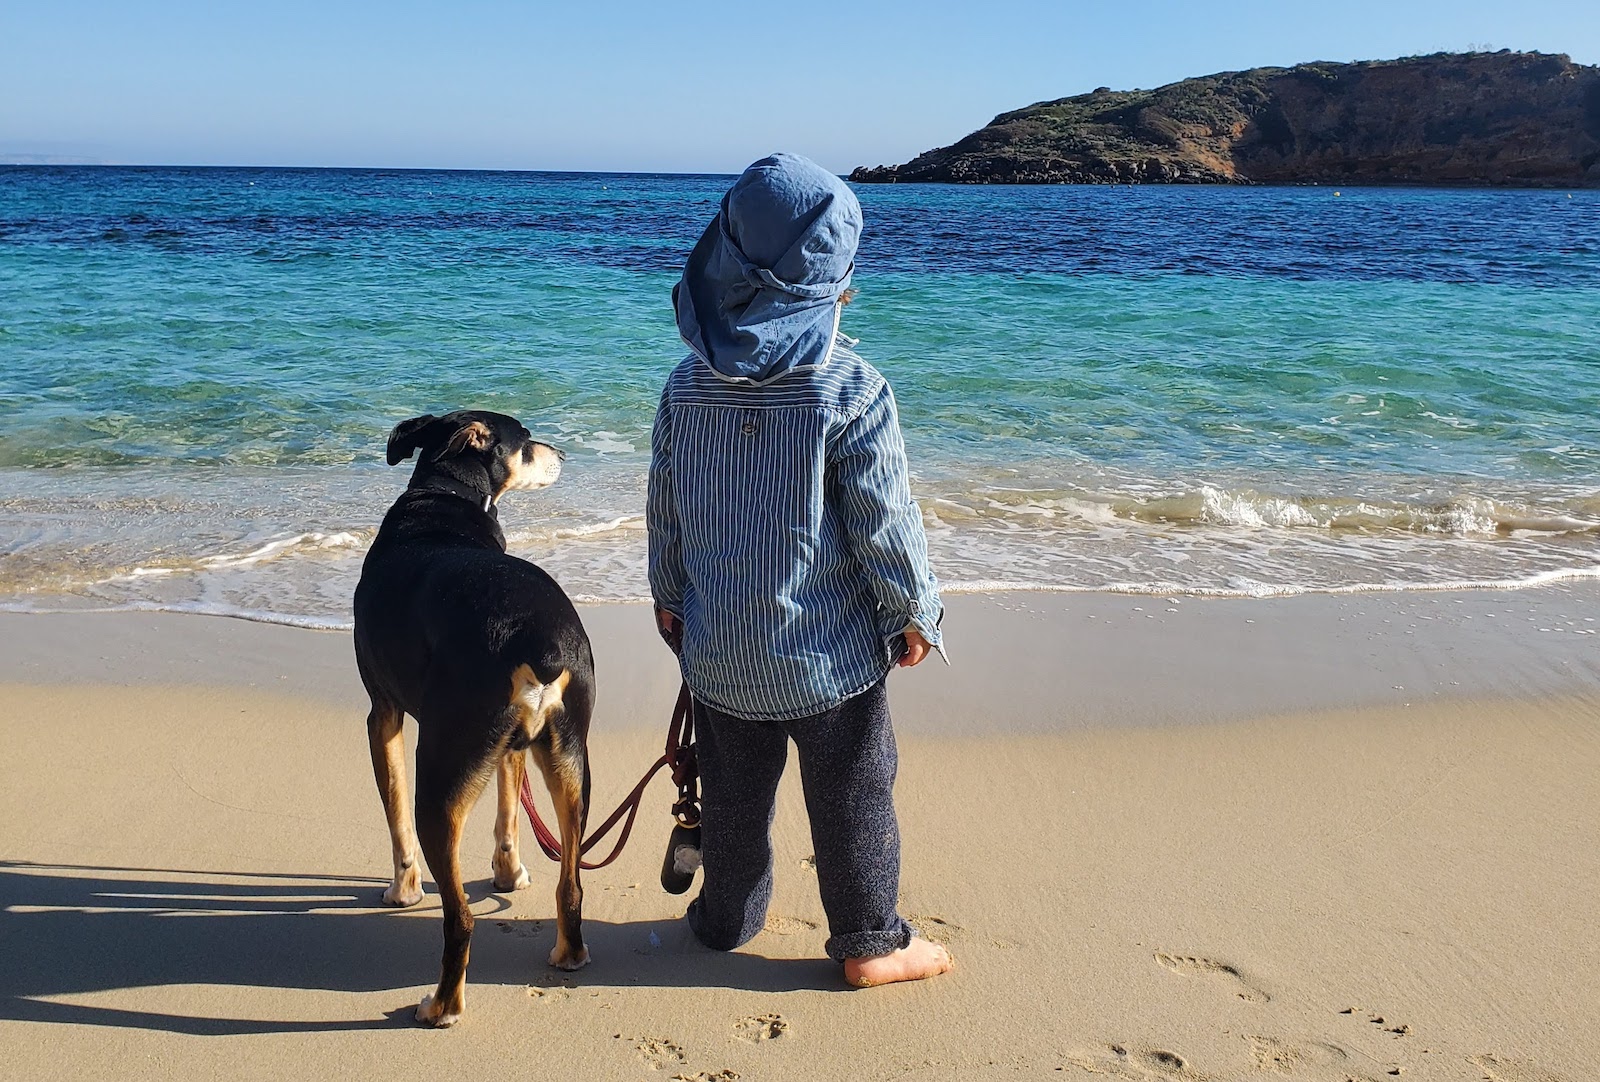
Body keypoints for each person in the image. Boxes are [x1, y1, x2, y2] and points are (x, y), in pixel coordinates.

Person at [647, 152, 953, 987]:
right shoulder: (851, 388)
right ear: (836, 276)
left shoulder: (684, 386)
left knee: (735, 803)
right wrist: (914, 609)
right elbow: (885, 521)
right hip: (830, 661)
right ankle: (868, 943)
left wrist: (670, 597)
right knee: (854, 801)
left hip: (719, 657)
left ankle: (726, 921)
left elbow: (665, 510)